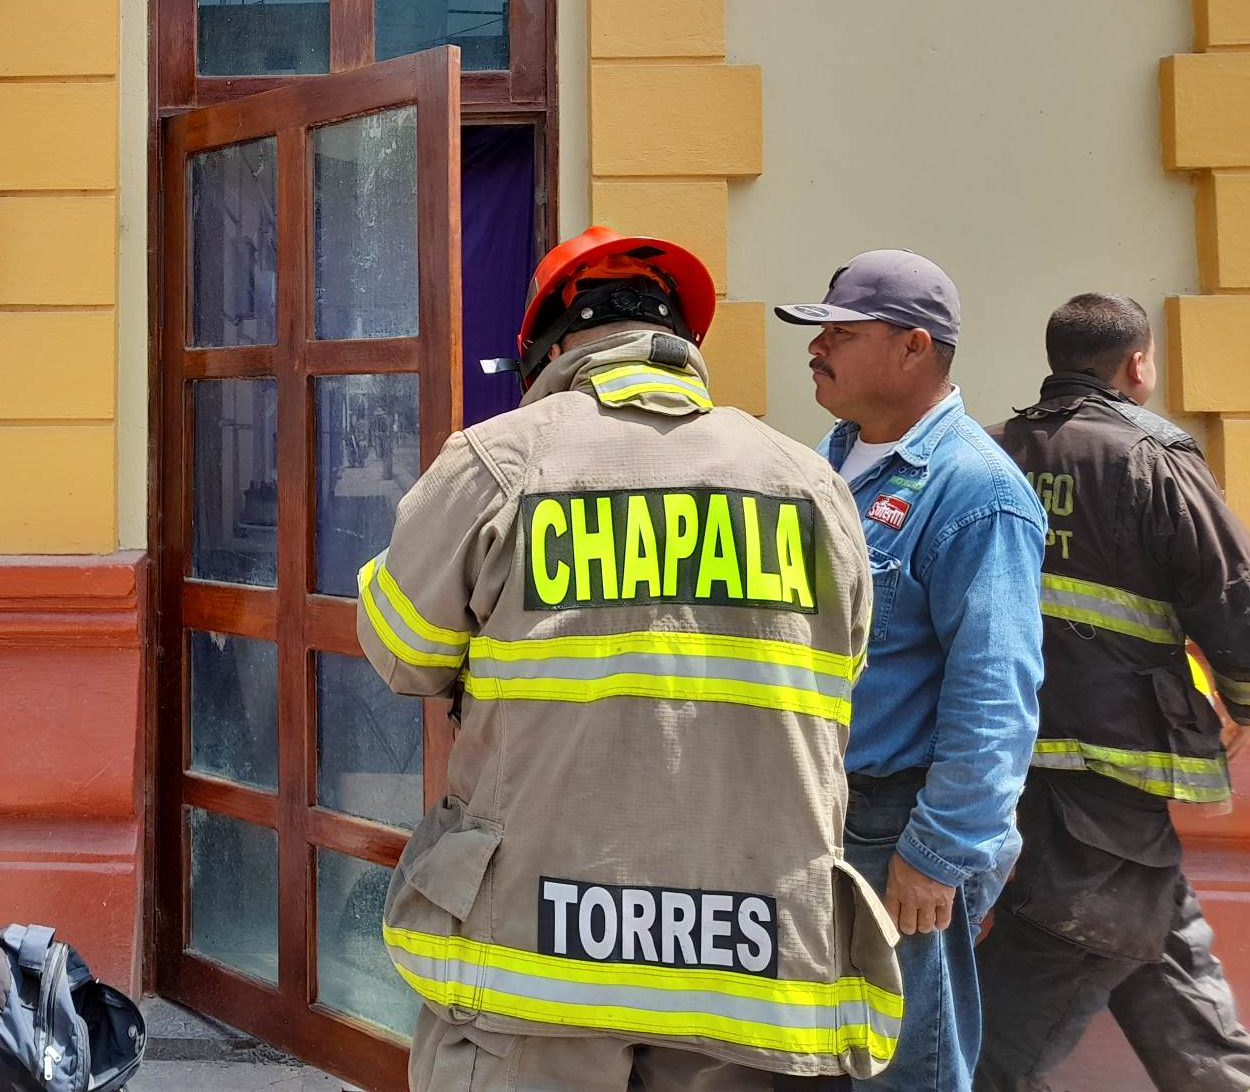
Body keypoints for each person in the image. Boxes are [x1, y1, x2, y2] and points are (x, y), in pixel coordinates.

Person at [363, 226, 902, 1092]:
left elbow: (403, 653)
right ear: (684, 342)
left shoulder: (501, 460)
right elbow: (842, 665)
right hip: (751, 970)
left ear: (552, 342)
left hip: (534, 964)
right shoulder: (812, 485)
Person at [775, 251, 1045, 1092]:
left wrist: (941, 854)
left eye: (842, 335)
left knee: (905, 1071)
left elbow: (995, 694)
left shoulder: (973, 490)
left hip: (899, 830)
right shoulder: (830, 461)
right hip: (816, 817)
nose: (816, 350)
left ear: (914, 349)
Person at [975, 293, 1250, 1091]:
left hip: (1015, 763)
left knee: (1159, 953)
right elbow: (1231, 599)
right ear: (1138, 364)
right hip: (1118, 768)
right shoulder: (1152, 457)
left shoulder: (994, 455)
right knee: (1060, 962)